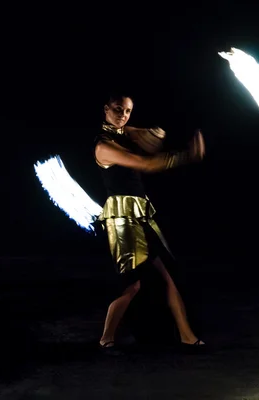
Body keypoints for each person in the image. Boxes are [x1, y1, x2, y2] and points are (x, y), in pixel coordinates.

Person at [94, 93, 206, 352]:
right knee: (132, 285)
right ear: (106, 110)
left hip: (143, 214)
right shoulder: (103, 146)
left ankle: (187, 336)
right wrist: (186, 156)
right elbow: (145, 164)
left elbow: (139, 134)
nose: (123, 115)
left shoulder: (123, 133)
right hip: (122, 219)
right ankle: (106, 337)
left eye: (128, 111)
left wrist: (151, 133)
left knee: (169, 276)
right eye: (118, 110)